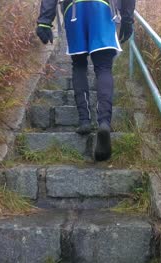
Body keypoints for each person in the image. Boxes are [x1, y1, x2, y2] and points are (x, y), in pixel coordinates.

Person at [36, 0, 136, 161]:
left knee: (79, 65)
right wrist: (127, 19)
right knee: (103, 67)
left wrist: (45, 21)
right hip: (103, 7)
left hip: (74, 9)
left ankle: (84, 120)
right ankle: (104, 122)